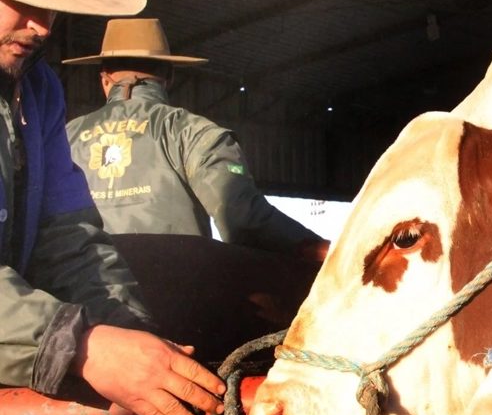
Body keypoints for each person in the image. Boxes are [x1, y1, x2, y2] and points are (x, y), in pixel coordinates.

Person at [0, 0, 226, 415]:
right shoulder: (190, 130)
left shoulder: (37, 91)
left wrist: (135, 336)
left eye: (51, 2)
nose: (43, 25)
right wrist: (82, 346)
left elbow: (68, 237)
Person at [64, 17, 329, 260]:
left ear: (104, 80)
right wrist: (322, 250)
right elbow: (243, 219)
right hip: (176, 294)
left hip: (83, 298)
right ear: (169, 76)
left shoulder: (65, 137)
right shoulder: (195, 133)